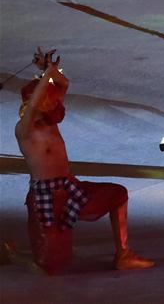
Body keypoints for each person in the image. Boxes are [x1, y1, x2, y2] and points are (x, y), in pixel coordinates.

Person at [4, 48, 153, 274]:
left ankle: (123, 254)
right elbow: (34, 104)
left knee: (118, 194)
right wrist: (46, 76)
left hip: (71, 189)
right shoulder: (25, 130)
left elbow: (63, 85)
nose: (57, 104)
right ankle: (11, 255)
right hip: (46, 201)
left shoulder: (50, 120)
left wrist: (49, 70)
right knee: (48, 269)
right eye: (50, 100)